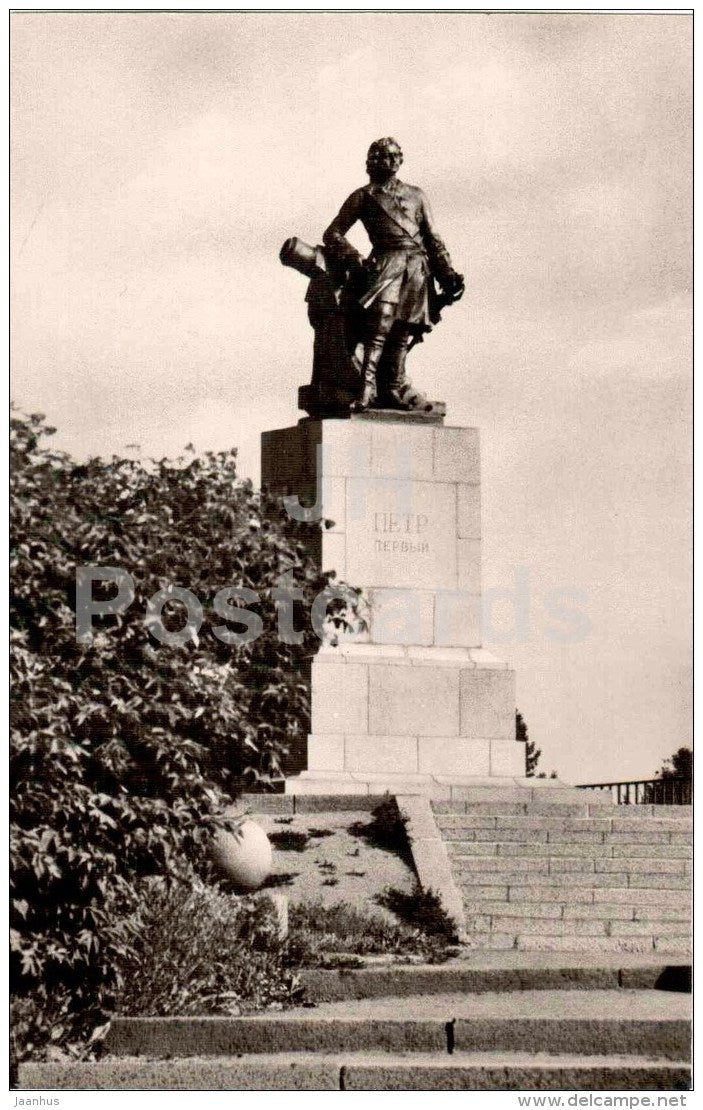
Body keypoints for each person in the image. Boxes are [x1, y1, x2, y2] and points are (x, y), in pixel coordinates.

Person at [323, 137, 464, 411]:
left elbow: (432, 238)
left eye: (393, 156)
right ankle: (367, 389)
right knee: (379, 325)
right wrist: (354, 258)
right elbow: (333, 233)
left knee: (402, 331)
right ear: (371, 161)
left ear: (400, 160)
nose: (388, 161)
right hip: (387, 263)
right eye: (381, 156)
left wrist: (447, 274)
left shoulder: (417, 195)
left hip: (417, 269)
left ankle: (392, 387)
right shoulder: (363, 196)